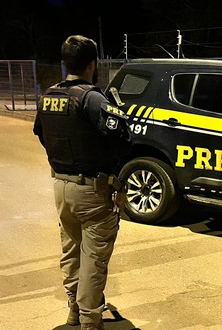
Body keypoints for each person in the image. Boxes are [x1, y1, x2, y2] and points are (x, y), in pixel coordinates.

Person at [33, 35, 131, 330]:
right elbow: (122, 138)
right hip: (92, 189)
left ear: (66, 64)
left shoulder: (49, 96)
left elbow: (41, 134)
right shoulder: (92, 98)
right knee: (93, 259)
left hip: (61, 187)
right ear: (92, 64)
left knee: (71, 251)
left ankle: (74, 311)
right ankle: (90, 322)